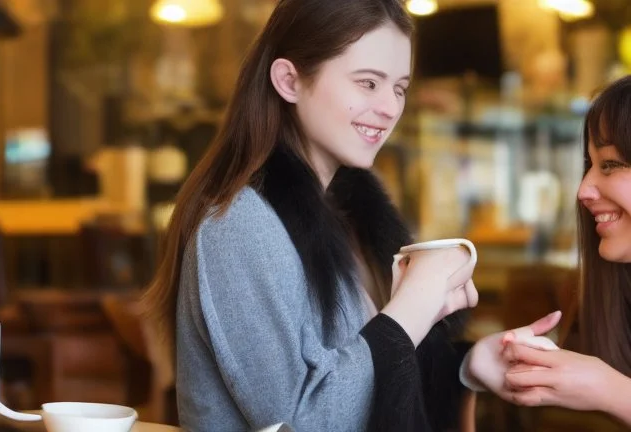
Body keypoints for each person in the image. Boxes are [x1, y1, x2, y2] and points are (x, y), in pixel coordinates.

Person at [143, 0, 556, 430]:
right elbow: (299, 423)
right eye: (368, 83)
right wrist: (413, 306)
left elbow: (365, 369)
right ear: (289, 80)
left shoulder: (348, 217)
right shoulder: (237, 225)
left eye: (399, 87)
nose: (390, 108)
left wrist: (467, 366)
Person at [502, 75, 631, 427]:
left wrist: (610, 389)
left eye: (610, 164)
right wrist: (479, 368)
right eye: (589, 166)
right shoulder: (601, 300)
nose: (584, 190)